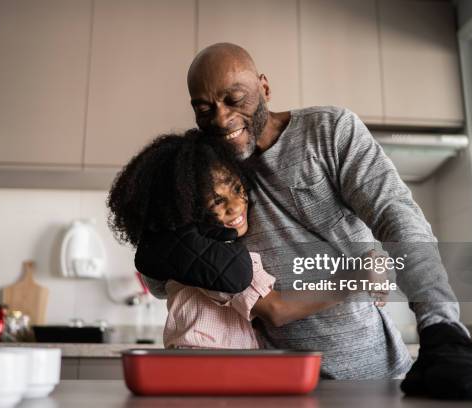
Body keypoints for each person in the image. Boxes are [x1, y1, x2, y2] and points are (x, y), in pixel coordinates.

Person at [136, 43, 472, 399]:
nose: (220, 119)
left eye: (234, 99)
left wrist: (440, 324)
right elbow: (159, 280)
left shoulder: (329, 132)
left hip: (376, 378)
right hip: (283, 386)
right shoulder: (203, 169)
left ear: (264, 87)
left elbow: (397, 215)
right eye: (203, 109)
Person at [107, 131, 385, 348]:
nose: (236, 206)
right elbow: (277, 309)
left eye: (238, 190)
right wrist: (355, 278)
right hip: (206, 372)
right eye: (217, 200)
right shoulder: (211, 260)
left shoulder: (182, 249)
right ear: (188, 206)